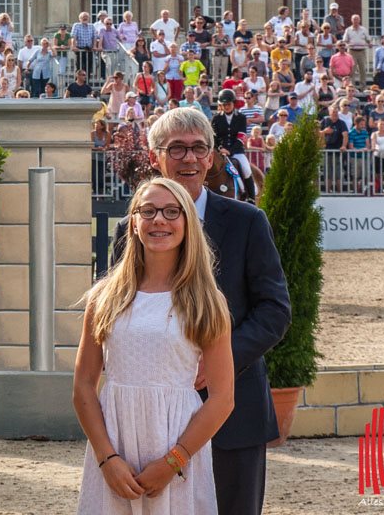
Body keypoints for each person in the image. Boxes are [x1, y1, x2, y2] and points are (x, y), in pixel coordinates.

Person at [111, 108, 291, 515]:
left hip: (233, 419)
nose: (188, 158)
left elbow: (274, 311)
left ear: (212, 158)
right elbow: (116, 312)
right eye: (177, 149)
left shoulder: (248, 222)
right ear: (156, 156)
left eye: (198, 148)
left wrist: (220, 361)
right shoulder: (130, 230)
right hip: (149, 425)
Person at [75, 177, 233, 513]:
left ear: (188, 223)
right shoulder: (104, 297)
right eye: (148, 211)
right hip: (114, 448)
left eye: (171, 211)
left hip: (178, 451)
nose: (159, 219)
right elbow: (83, 387)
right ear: (133, 222)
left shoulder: (206, 300)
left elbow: (222, 398)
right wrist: (108, 460)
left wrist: (174, 460)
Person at [212, 89, 257, 199]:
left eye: (228, 104)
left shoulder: (241, 118)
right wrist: (220, 148)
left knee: (246, 169)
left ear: (233, 103)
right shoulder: (216, 118)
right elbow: (214, 137)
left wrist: (230, 151)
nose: (226, 106)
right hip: (220, 152)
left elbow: (241, 138)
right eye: (223, 104)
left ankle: (251, 198)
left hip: (236, 151)